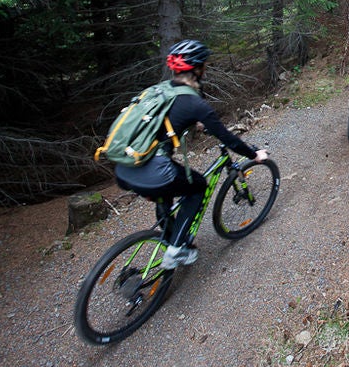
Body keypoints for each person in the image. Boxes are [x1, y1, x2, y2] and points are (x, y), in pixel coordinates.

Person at [114, 39, 269, 269]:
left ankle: (169, 236)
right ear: (197, 69)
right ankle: (176, 250)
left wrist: (192, 124)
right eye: (204, 65)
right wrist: (254, 154)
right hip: (152, 170)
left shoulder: (158, 91)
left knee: (164, 192)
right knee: (198, 186)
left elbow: (162, 122)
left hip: (124, 168)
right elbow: (227, 138)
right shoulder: (196, 104)